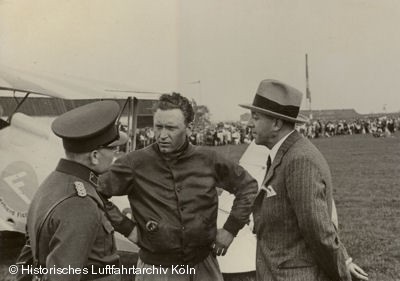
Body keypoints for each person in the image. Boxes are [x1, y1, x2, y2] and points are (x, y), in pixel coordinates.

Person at [99, 92, 258, 281]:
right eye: (158, 127)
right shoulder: (134, 163)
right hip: (157, 269)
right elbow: (96, 190)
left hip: (204, 265)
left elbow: (248, 187)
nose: (163, 135)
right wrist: (127, 227)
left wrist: (231, 229)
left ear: (189, 128)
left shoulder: (209, 160)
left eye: (171, 128)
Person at [240, 79, 368, 281]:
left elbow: (318, 231)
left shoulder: (300, 160)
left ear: (276, 123)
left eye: (255, 118)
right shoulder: (285, 154)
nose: (249, 124)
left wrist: (342, 271)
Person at [23, 100, 130, 281]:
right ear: (95, 156)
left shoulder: (55, 182)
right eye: (113, 149)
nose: (115, 155)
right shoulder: (79, 203)